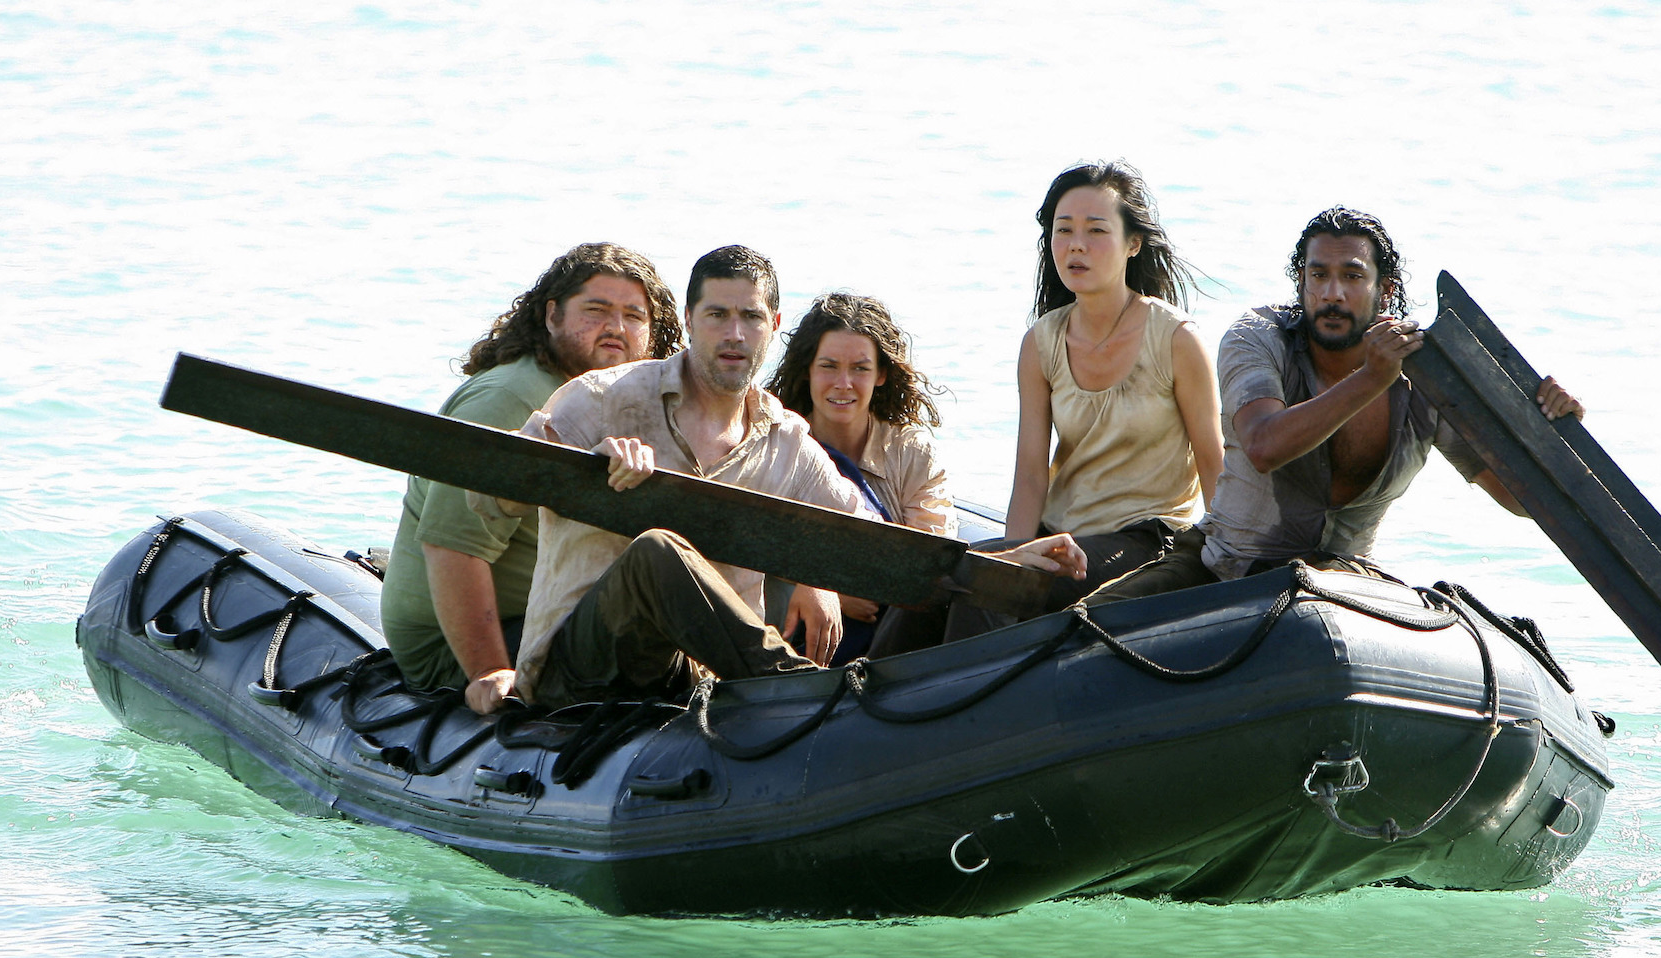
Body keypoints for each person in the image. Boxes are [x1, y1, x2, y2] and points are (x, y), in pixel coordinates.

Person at [472, 246, 1087, 710]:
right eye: (716, 315)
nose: (733, 334)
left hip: (695, 681)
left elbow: (878, 542)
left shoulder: (785, 438)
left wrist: (1006, 557)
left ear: (773, 325)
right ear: (688, 320)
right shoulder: (603, 399)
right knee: (657, 550)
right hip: (577, 672)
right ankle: (798, 690)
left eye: (749, 317)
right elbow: (490, 494)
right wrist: (586, 468)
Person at [1088, 206, 1585, 604]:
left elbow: (1517, 499)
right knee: (1088, 626)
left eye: (1351, 277)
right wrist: (1371, 377)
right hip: (1223, 565)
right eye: (1318, 275)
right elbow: (1263, 445)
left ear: (1384, 291)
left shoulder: (1426, 380)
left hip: (1343, 583)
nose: (1331, 294)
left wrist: (1553, 435)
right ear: (1301, 282)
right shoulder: (1259, 339)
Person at [379, 242, 681, 715]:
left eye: (634, 316)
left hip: (561, 610)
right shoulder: (510, 400)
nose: (616, 329)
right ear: (552, 315)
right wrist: (488, 672)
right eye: (596, 310)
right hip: (471, 640)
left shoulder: (623, 399)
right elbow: (452, 546)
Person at [979, 161, 1221, 627]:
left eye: (1095, 230)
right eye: (1063, 230)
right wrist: (1015, 553)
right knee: (969, 577)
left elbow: (1214, 466)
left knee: (1022, 592)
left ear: (1133, 244)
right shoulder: (1041, 342)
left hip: (1149, 537)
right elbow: (1030, 474)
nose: (1076, 245)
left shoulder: (1175, 339)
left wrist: (1238, 569)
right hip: (1062, 533)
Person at [764, 292, 954, 661]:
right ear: (808, 370)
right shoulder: (775, 444)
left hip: (890, 633)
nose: (843, 383)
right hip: (787, 629)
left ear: (881, 374)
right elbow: (747, 543)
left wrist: (853, 585)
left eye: (860, 369)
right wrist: (825, 586)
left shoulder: (912, 452)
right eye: (829, 366)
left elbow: (932, 557)